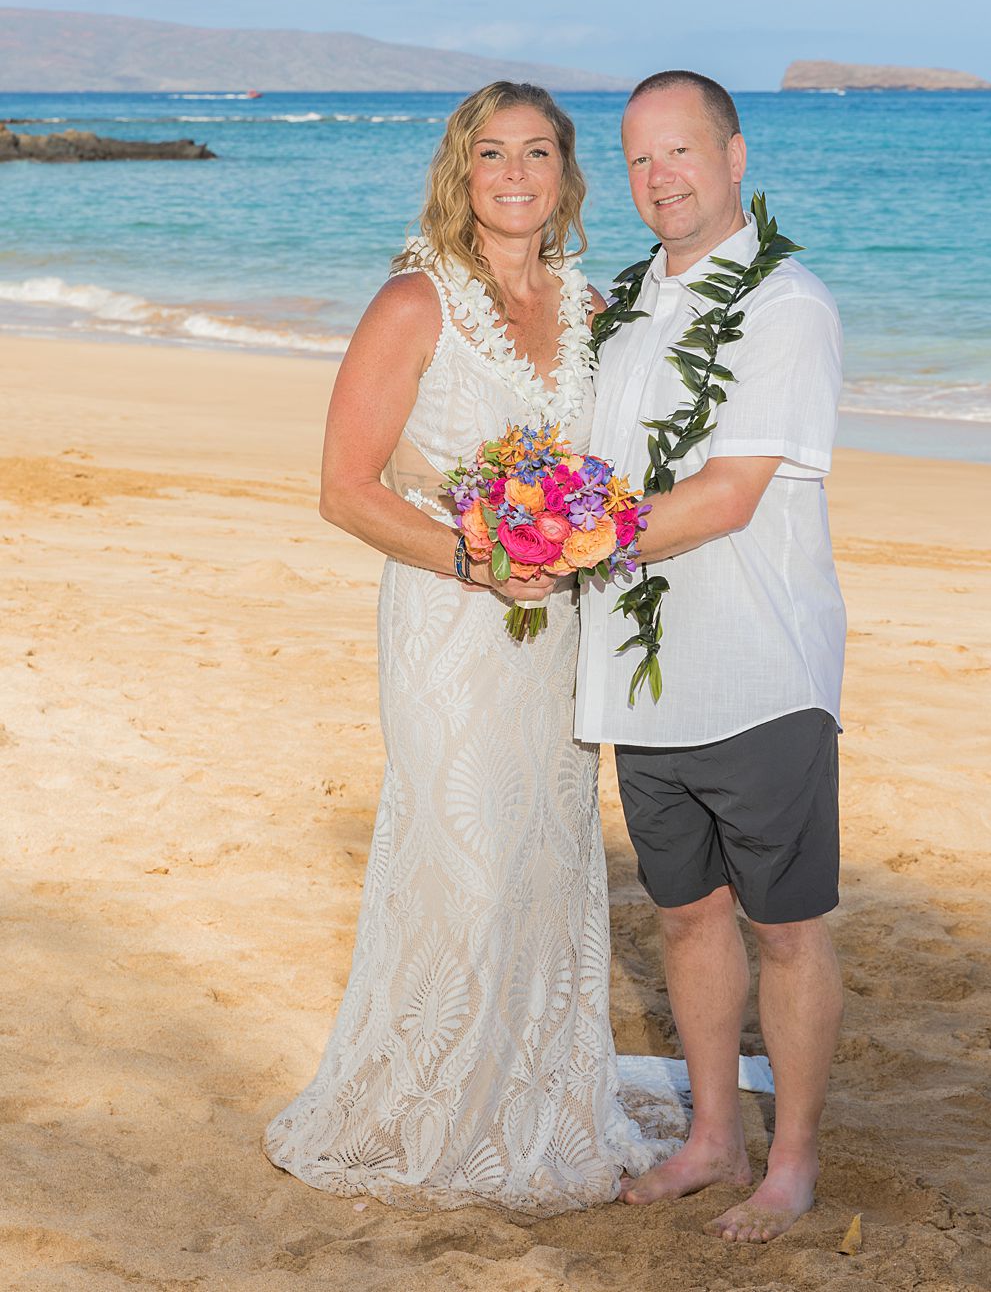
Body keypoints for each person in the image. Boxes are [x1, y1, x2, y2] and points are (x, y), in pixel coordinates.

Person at [262, 81, 669, 1214]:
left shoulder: (589, 305)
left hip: (556, 637)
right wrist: (478, 560)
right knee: (468, 854)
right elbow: (344, 488)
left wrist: (582, 535)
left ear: (567, 177)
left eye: (539, 153)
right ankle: (438, 1104)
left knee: (544, 854)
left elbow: (605, 473)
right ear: (461, 169)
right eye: (493, 153)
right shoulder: (415, 301)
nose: (517, 174)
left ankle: (533, 1089)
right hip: (449, 622)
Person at [575, 69, 846, 1244]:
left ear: (736, 157)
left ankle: (790, 1160)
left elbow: (730, 493)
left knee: (784, 927)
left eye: (681, 151)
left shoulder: (785, 304)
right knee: (686, 917)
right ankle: (712, 1139)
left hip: (758, 673)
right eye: (638, 160)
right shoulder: (628, 301)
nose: (660, 177)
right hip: (641, 677)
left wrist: (570, 542)